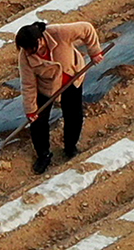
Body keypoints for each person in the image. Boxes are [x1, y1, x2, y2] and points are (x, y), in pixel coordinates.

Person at [16, 18, 104, 174]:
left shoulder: (58, 33)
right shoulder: (25, 57)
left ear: (40, 40)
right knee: (38, 121)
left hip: (72, 78)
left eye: (32, 48)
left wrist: (94, 51)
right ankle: (43, 154)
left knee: (73, 115)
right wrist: (31, 109)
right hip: (47, 87)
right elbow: (28, 84)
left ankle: (70, 147)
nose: (29, 52)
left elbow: (87, 28)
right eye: (26, 49)